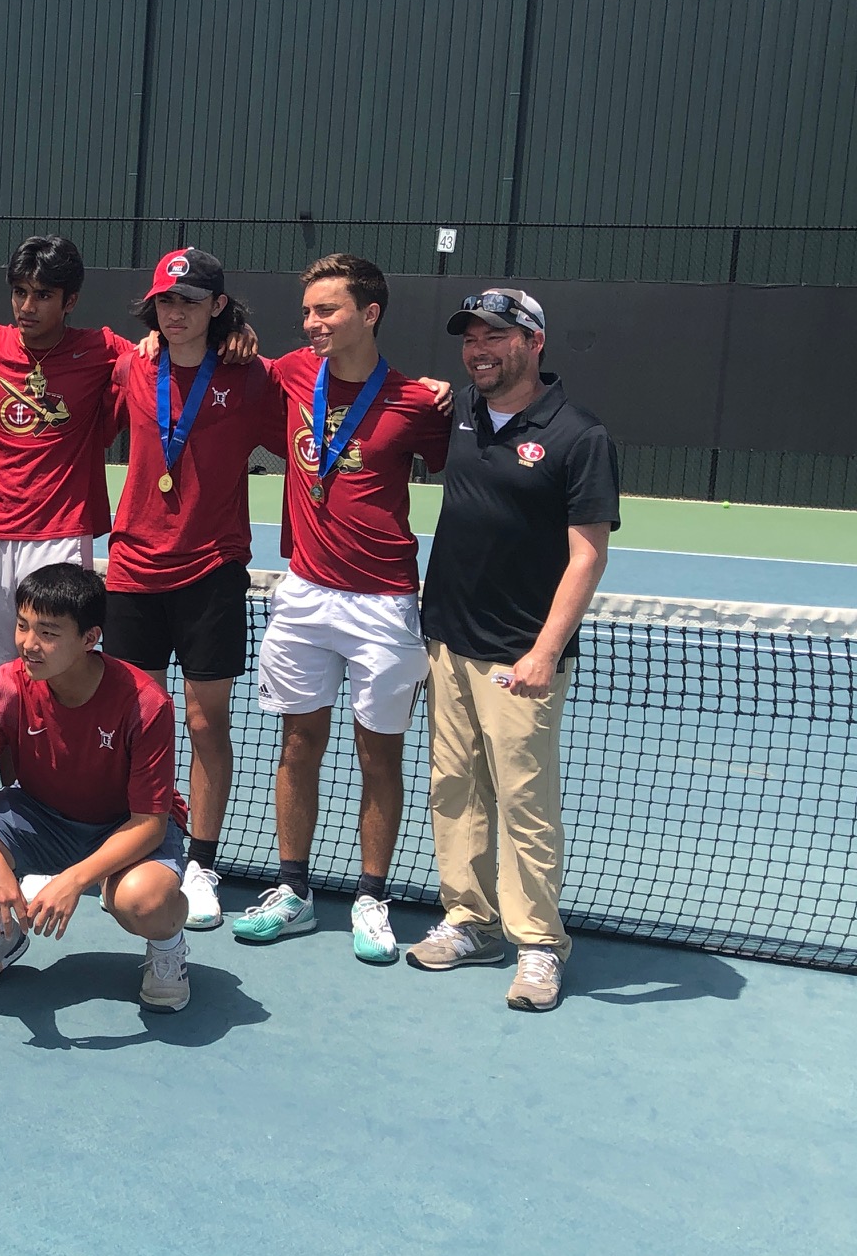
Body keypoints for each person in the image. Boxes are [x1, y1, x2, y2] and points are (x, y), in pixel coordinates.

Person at [232, 254, 451, 965]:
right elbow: (214, 356)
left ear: (370, 314)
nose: (312, 323)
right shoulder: (293, 372)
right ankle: (293, 891)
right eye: (308, 312)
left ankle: (372, 897)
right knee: (298, 745)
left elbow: (458, 458)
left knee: (377, 755)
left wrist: (448, 396)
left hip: (386, 604)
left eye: (327, 311)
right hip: (304, 594)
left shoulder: (417, 402)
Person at [409, 289, 618, 1012]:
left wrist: (543, 651)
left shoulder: (577, 435)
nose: (478, 349)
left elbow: (587, 556)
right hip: (448, 642)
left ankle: (537, 945)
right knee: (453, 790)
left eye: (495, 336)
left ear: (534, 342)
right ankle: (470, 920)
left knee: (525, 803)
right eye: (470, 338)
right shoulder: (461, 410)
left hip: (519, 658)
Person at [105, 248, 284, 932]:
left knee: (207, 723)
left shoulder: (251, 376)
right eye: (164, 302)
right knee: (140, 723)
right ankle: (146, 847)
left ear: (216, 305)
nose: (173, 313)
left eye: (188, 301)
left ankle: (202, 863)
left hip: (211, 571)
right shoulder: (131, 364)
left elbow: (328, 396)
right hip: (132, 572)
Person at [0, 563, 192, 1010]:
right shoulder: (4, 686)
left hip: (123, 828)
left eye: (48, 633)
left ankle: (168, 952)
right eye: (22, 626)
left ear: (90, 638)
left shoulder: (146, 703)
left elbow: (150, 822)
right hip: (39, 816)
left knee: (145, 901)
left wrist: (74, 880)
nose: (29, 645)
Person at [0, 237, 132, 670]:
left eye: (43, 295)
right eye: (20, 292)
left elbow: (173, 355)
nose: (27, 306)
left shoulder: (102, 350)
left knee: (58, 667)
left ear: (70, 301)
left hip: (61, 533)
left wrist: (231, 333)